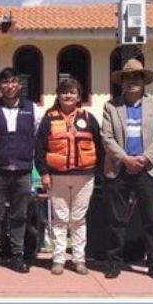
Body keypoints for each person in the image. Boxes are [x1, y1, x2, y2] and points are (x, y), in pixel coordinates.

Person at [100, 59, 153, 280]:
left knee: (150, 220)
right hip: (119, 169)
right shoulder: (111, 106)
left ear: (143, 81)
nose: (132, 82)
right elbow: (106, 137)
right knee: (117, 221)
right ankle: (113, 263)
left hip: (146, 169)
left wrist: (145, 158)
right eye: (127, 78)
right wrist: (125, 159)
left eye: (137, 77)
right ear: (122, 82)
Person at [35, 77, 102, 276]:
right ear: (58, 95)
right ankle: (58, 259)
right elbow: (39, 148)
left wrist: (96, 173)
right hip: (57, 176)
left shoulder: (88, 118)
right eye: (64, 92)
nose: (68, 95)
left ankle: (79, 259)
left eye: (73, 92)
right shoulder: (49, 118)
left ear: (79, 96)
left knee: (79, 219)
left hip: (85, 176)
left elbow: (99, 145)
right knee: (60, 219)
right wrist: (44, 173)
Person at [0, 67, 45, 274]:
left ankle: (17, 255)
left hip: (23, 170)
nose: (9, 86)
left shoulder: (33, 109)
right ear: (0, 86)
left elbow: (37, 139)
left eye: (13, 81)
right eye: (5, 82)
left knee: (20, 215)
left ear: (20, 85)